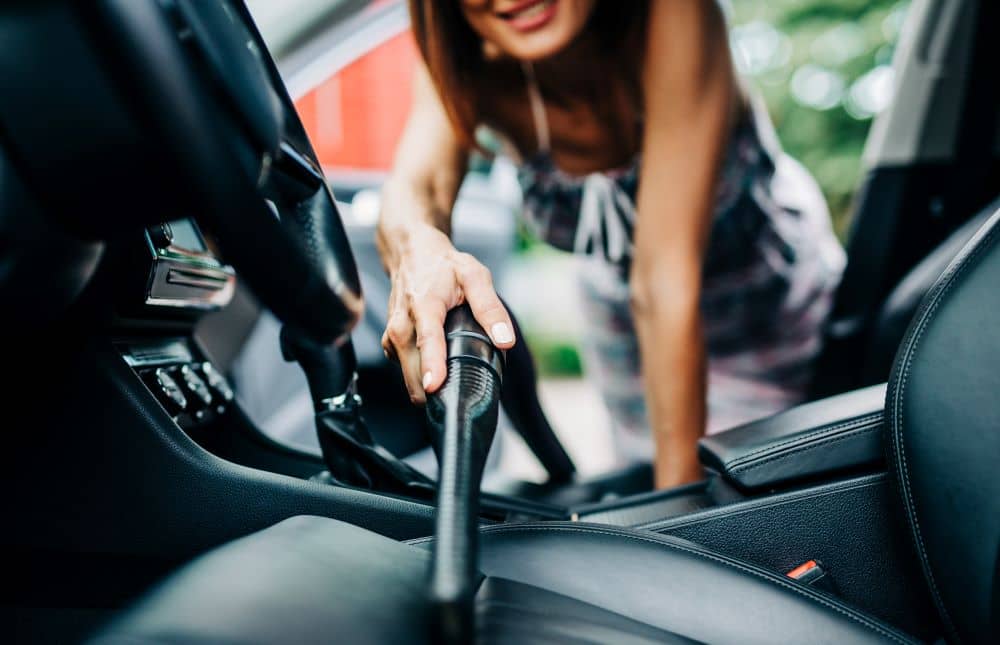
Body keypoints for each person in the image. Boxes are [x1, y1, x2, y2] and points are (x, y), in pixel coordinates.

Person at [376, 0, 845, 488]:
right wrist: (422, 250)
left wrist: (680, 514)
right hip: (623, 323)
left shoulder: (674, 14)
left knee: (765, 493)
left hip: (765, 305)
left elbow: (664, 277)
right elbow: (418, 191)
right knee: (643, 478)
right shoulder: (467, 64)